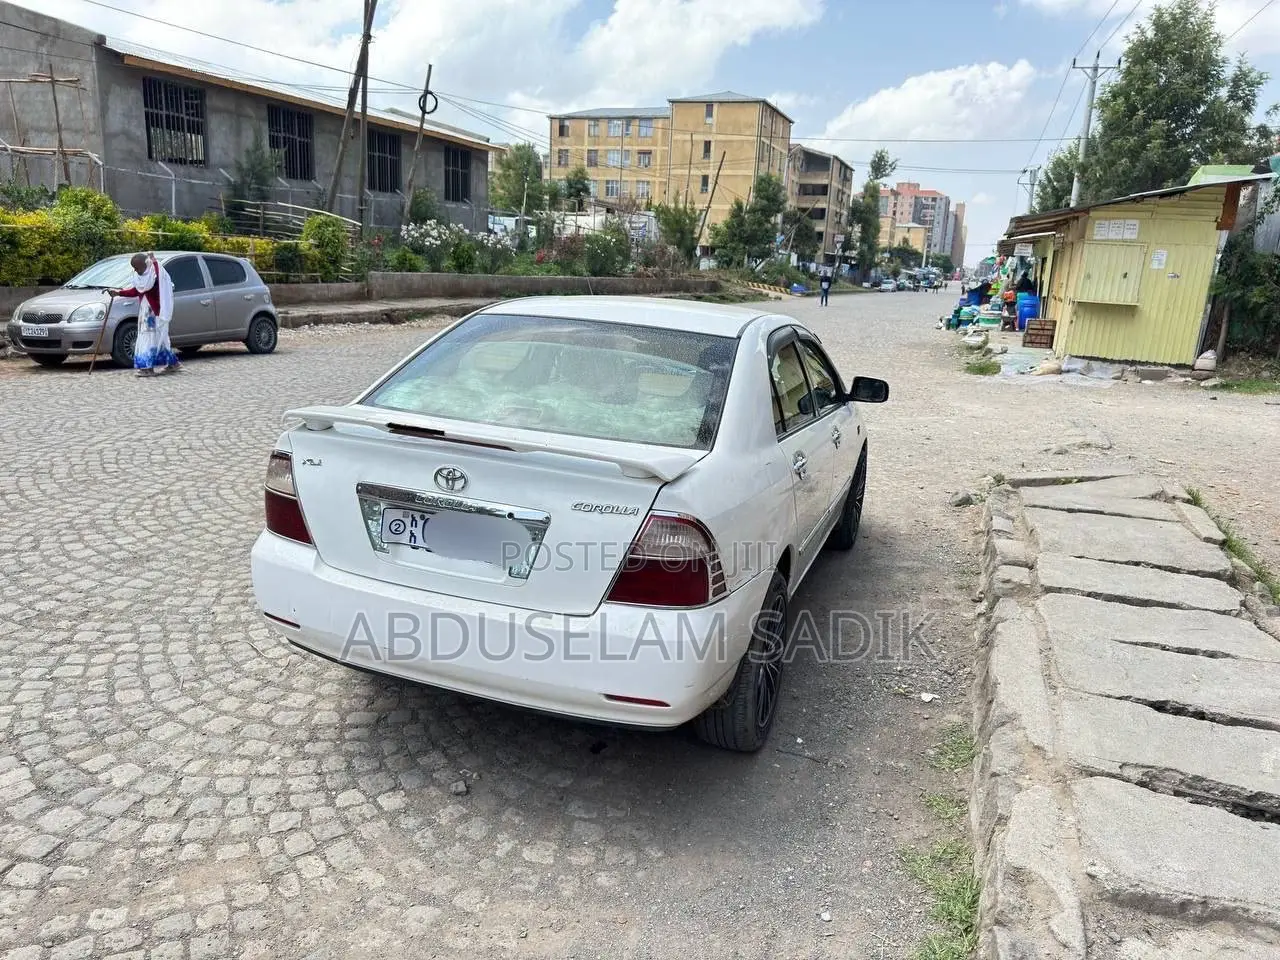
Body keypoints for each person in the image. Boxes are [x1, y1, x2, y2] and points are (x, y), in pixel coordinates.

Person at [111, 252, 179, 376]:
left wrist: (153, 260)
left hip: (155, 312)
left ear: (145, 264)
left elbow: (159, 272)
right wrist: (119, 293)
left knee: (151, 336)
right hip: (146, 311)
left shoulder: (155, 273)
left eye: (137, 267)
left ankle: (148, 367)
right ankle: (172, 364)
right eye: (134, 268)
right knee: (154, 337)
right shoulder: (141, 277)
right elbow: (136, 291)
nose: (135, 270)